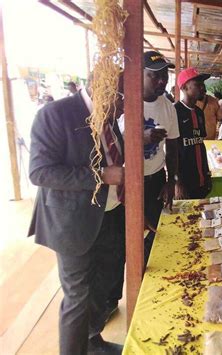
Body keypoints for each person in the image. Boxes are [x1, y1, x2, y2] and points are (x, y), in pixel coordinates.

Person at [28, 74, 125, 354]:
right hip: (72, 225)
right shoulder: (55, 114)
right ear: (99, 86)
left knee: (101, 290)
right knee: (77, 299)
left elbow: (110, 155)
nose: (123, 105)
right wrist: (100, 176)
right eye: (120, 97)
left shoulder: (108, 117)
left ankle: (92, 341)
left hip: (109, 217)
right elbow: (39, 172)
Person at [110, 50, 179, 316]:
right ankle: (115, 297)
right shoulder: (125, 105)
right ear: (140, 76)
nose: (161, 81)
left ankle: (150, 294)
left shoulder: (168, 107)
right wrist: (142, 136)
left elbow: (173, 147)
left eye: (164, 76)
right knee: (123, 243)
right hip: (126, 184)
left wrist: (170, 180)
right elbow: (113, 145)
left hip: (154, 180)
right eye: (155, 76)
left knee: (152, 238)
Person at [174, 67, 212, 199]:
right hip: (184, 181)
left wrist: (207, 174)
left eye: (203, 84)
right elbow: (171, 150)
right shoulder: (175, 112)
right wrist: (177, 182)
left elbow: (200, 145)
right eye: (198, 84)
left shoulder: (199, 112)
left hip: (200, 178)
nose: (203, 88)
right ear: (184, 87)